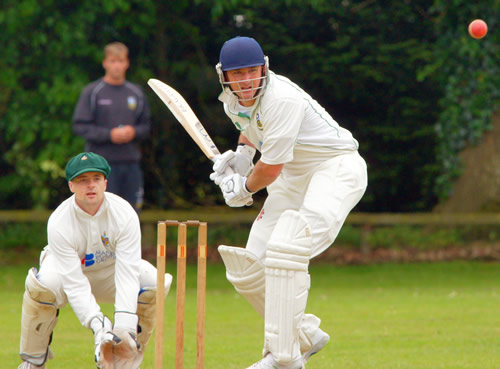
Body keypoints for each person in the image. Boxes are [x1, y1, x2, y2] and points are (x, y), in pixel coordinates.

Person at [211, 37, 368, 369]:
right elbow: (250, 128)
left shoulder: (281, 98)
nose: (246, 80)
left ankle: (283, 358)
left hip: (334, 167)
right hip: (293, 176)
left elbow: (270, 168)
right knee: (249, 268)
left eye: (252, 71)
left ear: (264, 68)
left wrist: (242, 188)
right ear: (225, 76)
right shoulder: (231, 100)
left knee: (288, 248)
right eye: (237, 74)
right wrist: (241, 157)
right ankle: (306, 336)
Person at [18, 152, 172, 369]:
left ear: (105, 182)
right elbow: (73, 281)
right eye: (83, 180)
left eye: (96, 179)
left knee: (152, 283)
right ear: (71, 186)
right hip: (68, 274)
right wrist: (97, 323)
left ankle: (125, 357)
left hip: (111, 273)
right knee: (43, 285)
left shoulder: (124, 213)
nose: (91, 185)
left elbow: (128, 271)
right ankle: (33, 361)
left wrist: (123, 327)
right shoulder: (59, 222)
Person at [73, 42, 151, 213]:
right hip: (100, 167)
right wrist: (110, 135)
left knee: (130, 212)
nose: (117, 65)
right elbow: (80, 126)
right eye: (113, 61)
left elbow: (146, 126)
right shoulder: (93, 92)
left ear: (127, 63)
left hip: (131, 163)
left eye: (120, 61)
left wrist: (134, 132)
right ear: (105, 63)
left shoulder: (136, 92)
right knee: (102, 213)